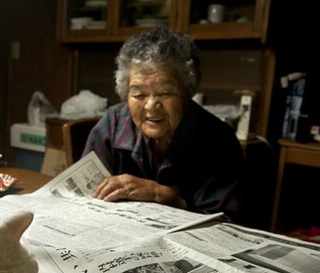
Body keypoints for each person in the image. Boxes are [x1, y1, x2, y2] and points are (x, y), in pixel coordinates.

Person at [82, 28, 245, 222]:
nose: (151, 106)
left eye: (165, 93)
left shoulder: (218, 139)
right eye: (139, 95)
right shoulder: (113, 122)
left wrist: (166, 198)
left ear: (188, 92)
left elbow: (226, 224)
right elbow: (83, 196)